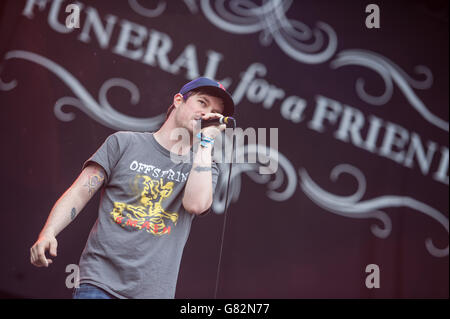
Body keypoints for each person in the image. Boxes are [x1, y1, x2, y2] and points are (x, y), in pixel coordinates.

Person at [29, 77, 235, 299]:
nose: (207, 114)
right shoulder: (124, 143)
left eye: (215, 111)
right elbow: (80, 192)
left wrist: (206, 144)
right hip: (99, 283)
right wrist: (49, 231)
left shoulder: (204, 166)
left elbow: (195, 205)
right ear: (178, 100)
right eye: (202, 103)